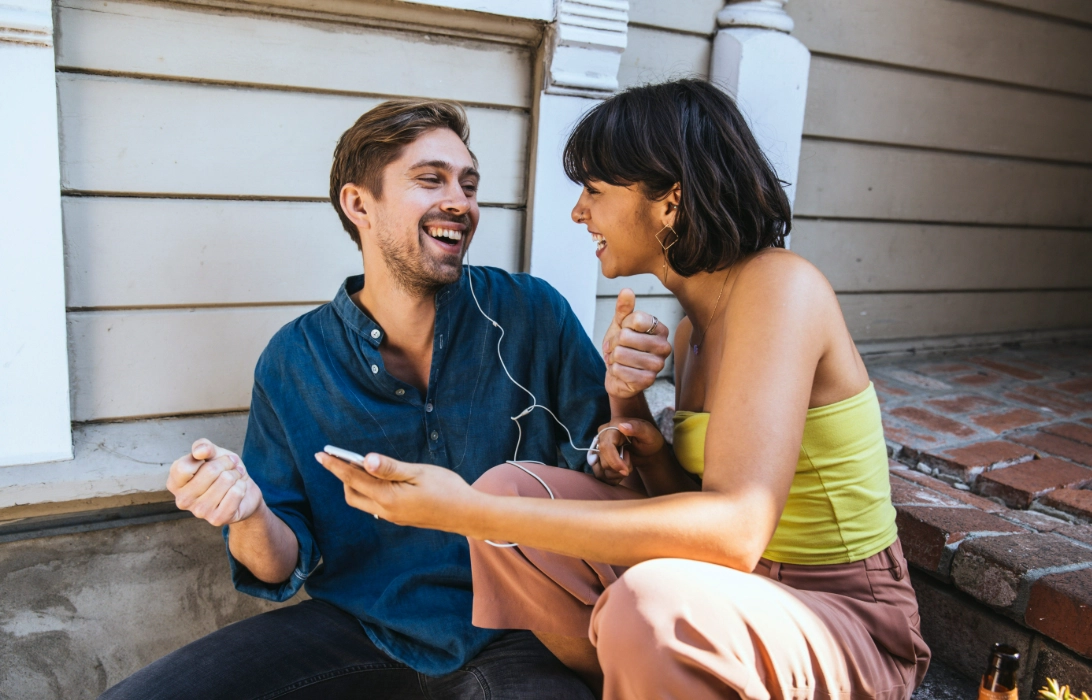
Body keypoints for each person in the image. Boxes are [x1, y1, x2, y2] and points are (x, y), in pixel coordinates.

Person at [318, 79, 932, 700]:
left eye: (594, 190)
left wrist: (460, 511)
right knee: (510, 489)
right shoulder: (695, 328)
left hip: (844, 617)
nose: (579, 212)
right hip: (742, 593)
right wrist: (630, 411)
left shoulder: (780, 288)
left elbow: (735, 533)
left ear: (671, 199)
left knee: (644, 605)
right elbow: (692, 514)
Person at [100, 99, 668, 699]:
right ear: (358, 204)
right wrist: (244, 511)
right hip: (358, 629)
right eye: (431, 179)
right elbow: (276, 566)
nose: (460, 201)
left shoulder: (533, 313)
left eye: (469, 184)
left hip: (518, 634)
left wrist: (621, 415)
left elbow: (614, 476)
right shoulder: (296, 359)